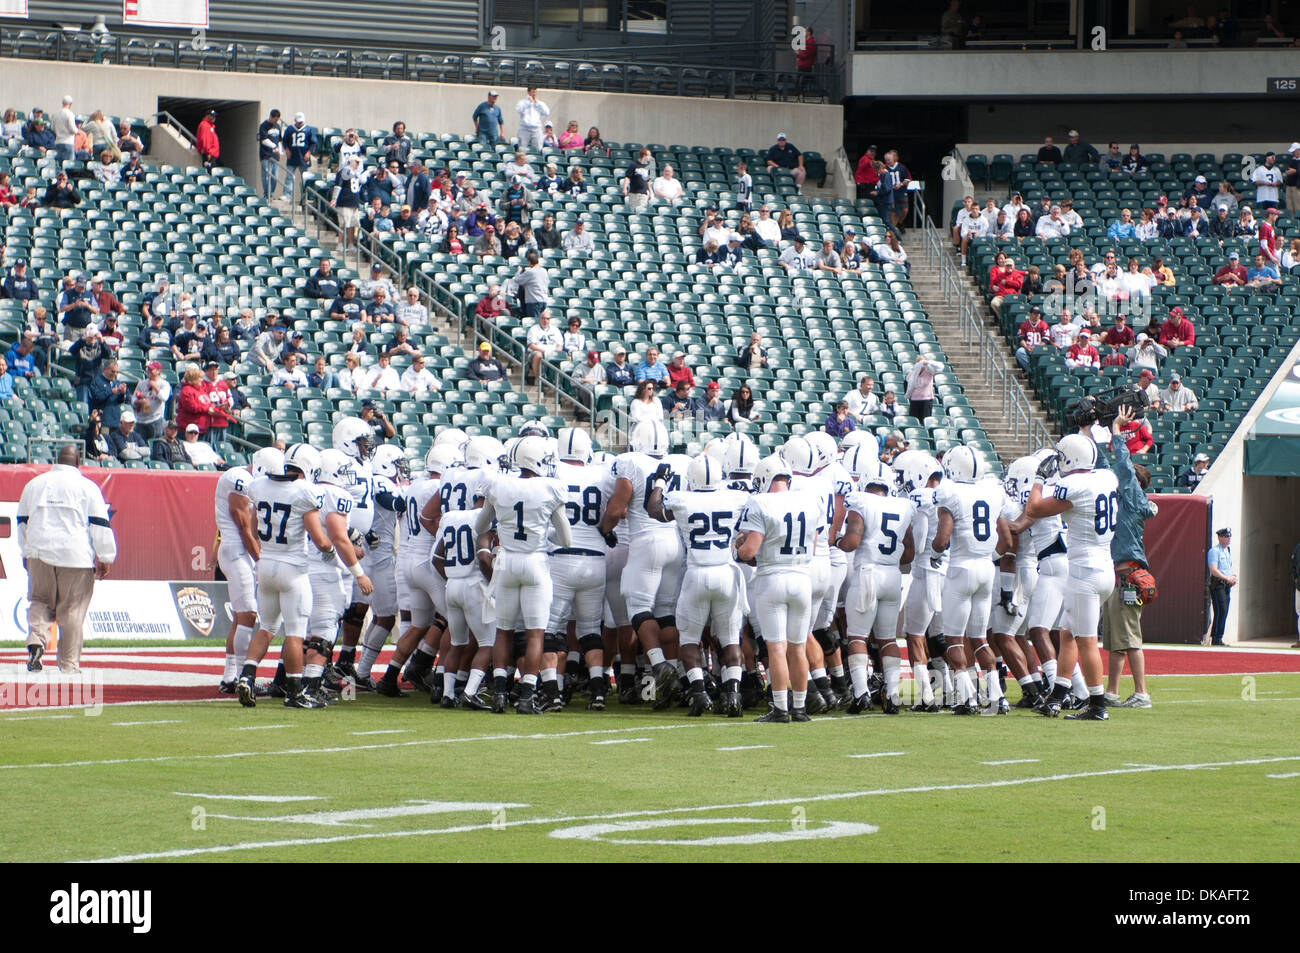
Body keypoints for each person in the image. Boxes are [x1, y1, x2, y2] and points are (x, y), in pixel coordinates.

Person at [1025, 434, 1119, 719]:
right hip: (1105, 567)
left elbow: (1033, 509)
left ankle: (1097, 705)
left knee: (1086, 640)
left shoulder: (1073, 486)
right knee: (1067, 633)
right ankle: (1057, 695)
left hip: (1084, 571)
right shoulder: (1105, 477)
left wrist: (1039, 479)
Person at [475, 435, 570, 714]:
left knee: (503, 631)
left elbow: (480, 525)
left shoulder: (499, 485)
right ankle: (527, 695)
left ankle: (500, 694)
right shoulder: (550, 488)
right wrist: (544, 530)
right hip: (535, 562)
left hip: (506, 562)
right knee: (534, 634)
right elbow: (565, 538)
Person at [734, 454, 826, 721]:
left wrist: (737, 551)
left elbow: (750, 549)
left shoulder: (759, 501)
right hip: (801, 577)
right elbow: (814, 542)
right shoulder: (810, 500)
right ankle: (799, 707)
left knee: (776, 648)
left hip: (772, 578)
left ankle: (780, 708)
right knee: (797, 648)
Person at [16, 443, 117, 673]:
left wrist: (26, 551)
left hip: (39, 552)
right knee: (72, 610)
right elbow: (100, 526)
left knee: (40, 600)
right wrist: (106, 556)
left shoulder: (34, 485)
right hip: (76, 557)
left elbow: (22, 522)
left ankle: (36, 641)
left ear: (57, 459)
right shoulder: (88, 487)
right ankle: (68, 664)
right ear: (78, 461)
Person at [1100, 407, 1159, 708]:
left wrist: (1116, 432)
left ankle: (1142, 693)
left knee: (1131, 637)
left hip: (1128, 576)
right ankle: (1111, 691)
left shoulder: (1133, 496)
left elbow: (1122, 465)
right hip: (1118, 575)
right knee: (1114, 640)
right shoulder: (1130, 500)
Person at [1206, 527, 1236, 646]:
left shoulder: (1227, 550)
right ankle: (1216, 638)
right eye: (1226, 536)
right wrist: (1226, 578)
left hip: (1226, 585)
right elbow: (1213, 570)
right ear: (1220, 537)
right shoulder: (1214, 551)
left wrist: (1232, 577)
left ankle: (1219, 636)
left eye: (1229, 536)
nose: (1229, 539)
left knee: (1224, 611)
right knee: (1220, 610)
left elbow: (1226, 568)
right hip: (1218, 584)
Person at [282, 112, 316, 204]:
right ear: (295, 121)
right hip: (292, 157)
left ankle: (305, 197)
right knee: (289, 177)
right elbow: (284, 141)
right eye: (298, 122)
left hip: (304, 158)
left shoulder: (309, 130)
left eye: (301, 122)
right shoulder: (289, 129)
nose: (300, 124)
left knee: (305, 179)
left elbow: (313, 143)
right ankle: (287, 195)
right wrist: (287, 150)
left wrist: (308, 153)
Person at [525, 309, 563, 384]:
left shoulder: (555, 330)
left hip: (552, 352)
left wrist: (555, 352)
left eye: (547, 319)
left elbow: (560, 345)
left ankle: (558, 382)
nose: (545, 320)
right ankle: (538, 378)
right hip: (537, 352)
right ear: (540, 319)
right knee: (538, 355)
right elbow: (531, 345)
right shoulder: (533, 329)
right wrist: (544, 351)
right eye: (543, 318)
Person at [514, 250, 550, 320]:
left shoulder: (530, 272)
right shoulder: (544, 271)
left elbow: (517, 280)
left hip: (534, 301)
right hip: (543, 300)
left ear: (529, 262)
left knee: (534, 322)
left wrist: (518, 271)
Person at [516, 87, 551, 152]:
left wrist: (537, 103)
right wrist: (528, 102)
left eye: (535, 92)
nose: (534, 94)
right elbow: (519, 110)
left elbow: (547, 112)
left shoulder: (540, 103)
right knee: (522, 149)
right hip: (525, 129)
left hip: (536, 129)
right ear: (528, 92)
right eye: (532, 92)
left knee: (538, 148)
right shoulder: (522, 102)